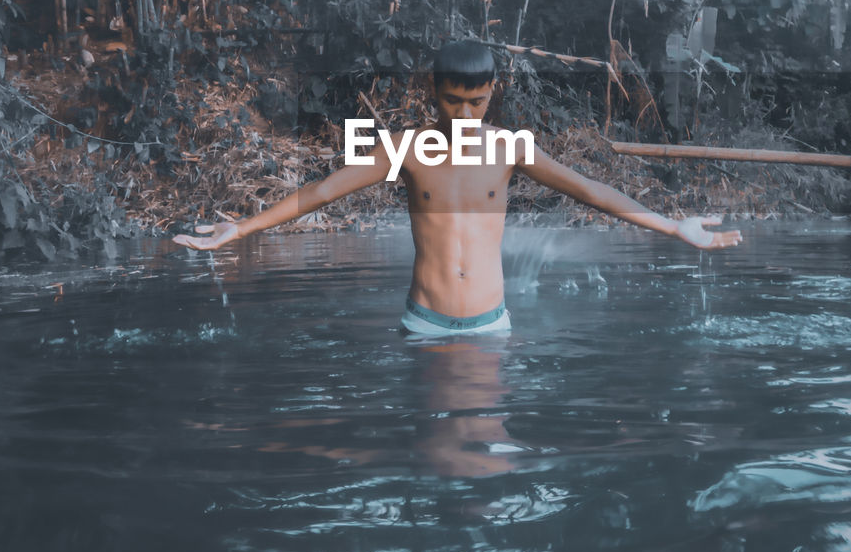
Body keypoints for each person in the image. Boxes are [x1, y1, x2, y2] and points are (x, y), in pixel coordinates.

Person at [172, 40, 742, 335]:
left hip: (492, 322)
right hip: (425, 322)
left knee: (483, 462)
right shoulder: (407, 148)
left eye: (476, 100)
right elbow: (322, 192)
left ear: (492, 90)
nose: (464, 112)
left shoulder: (510, 148)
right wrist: (240, 230)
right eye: (452, 100)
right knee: (440, 459)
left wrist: (673, 226)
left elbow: (590, 190)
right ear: (432, 91)